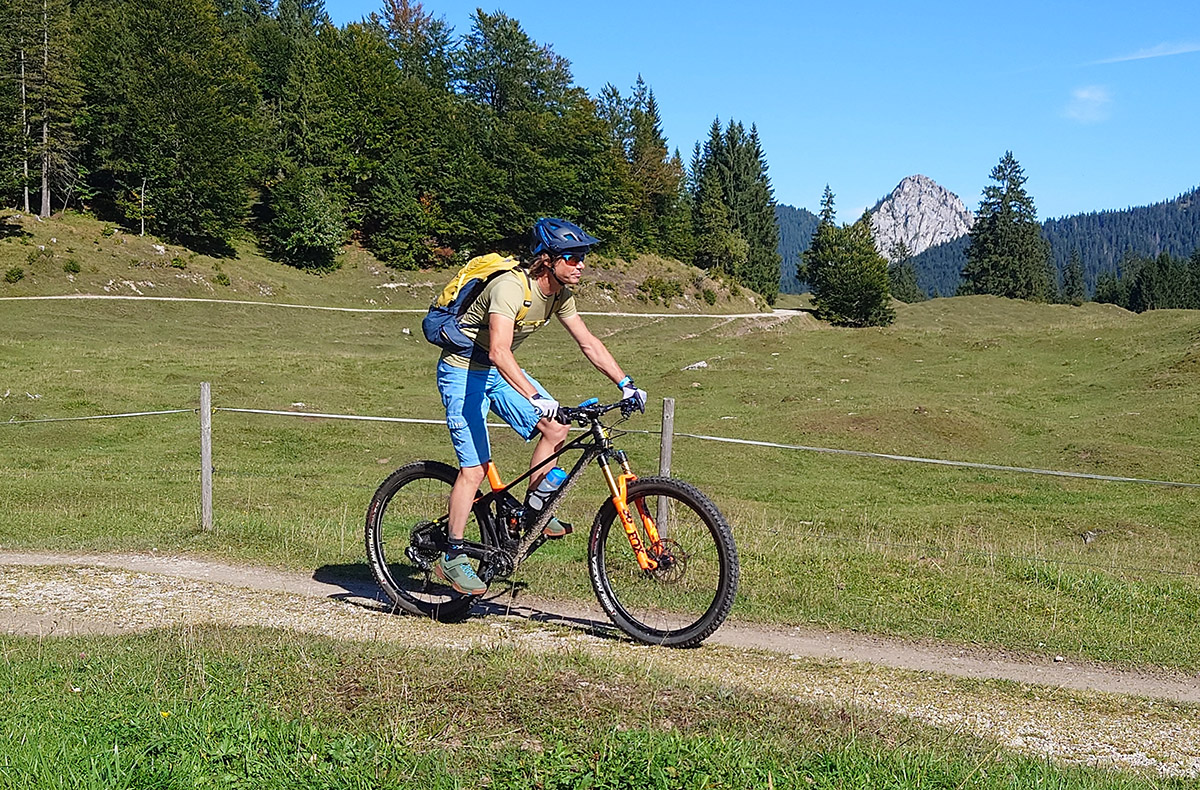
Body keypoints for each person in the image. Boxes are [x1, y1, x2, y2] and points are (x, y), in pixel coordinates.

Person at [433, 218, 647, 595]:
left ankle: (532, 512)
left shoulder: (560, 295)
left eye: (583, 257)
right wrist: (535, 397)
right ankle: (452, 554)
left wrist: (626, 384)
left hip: (496, 371)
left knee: (556, 426)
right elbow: (499, 351)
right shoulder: (510, 288)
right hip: (462, 370)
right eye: (573, 257)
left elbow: (588, 342)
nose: (581, 265)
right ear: (547, 260)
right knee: (475, 470)